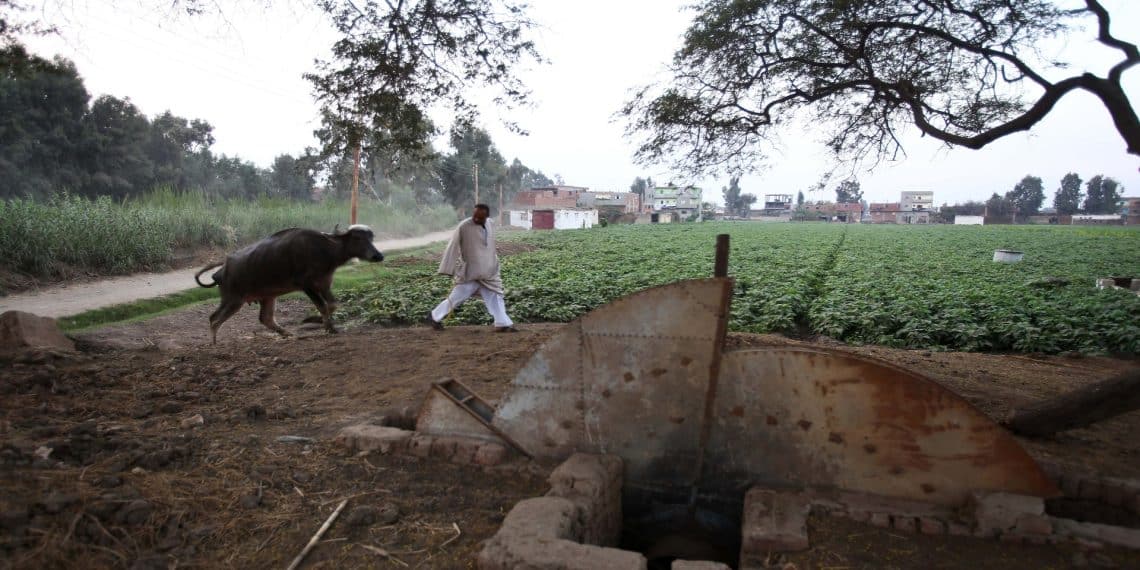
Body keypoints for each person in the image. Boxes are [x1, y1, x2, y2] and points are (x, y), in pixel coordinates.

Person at [425, 204, 519, 332]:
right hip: (471, 272)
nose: (476, 219)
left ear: (486, 217)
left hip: (488, 272)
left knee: (496, 296)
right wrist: (448, 268)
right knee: (456, 297)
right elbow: (452, 246)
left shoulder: (491, 224)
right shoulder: (464, 226)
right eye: (474, 215)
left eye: (479, 217)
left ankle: (502, 323)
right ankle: (434, 316)